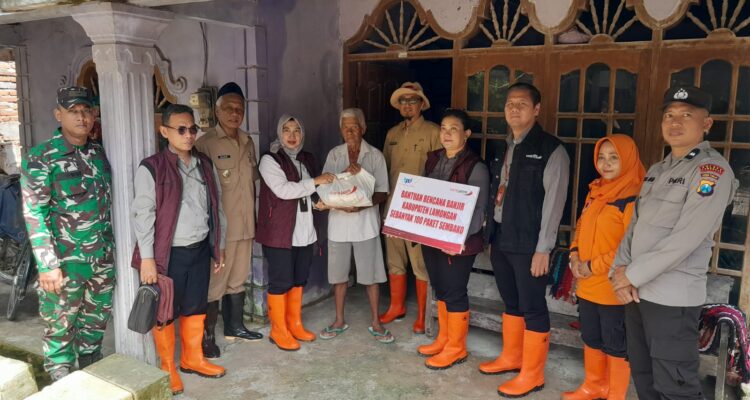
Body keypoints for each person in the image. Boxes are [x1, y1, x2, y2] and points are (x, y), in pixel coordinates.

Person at [611, 85, 737, 400]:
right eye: (669, 115)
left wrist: (631, 275)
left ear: (706, 124)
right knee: (643, 374)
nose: (675, 122)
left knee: (675, 384)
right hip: (636, 292)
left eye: (686, 115)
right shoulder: (658, 170)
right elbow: (635, 225)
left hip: (671, 297)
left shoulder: (711, 171)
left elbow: (686, 238)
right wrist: (619, 271)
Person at [132, 104, 228, 394]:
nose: (189, 135)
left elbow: (217, 207)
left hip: (199, 249)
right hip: (168, 254)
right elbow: (143, 215)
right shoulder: (152, 167)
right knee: (165, 311)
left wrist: (218, 246)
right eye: (181, 129)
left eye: (192, 129)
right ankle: (167, 367)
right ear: (165, 131)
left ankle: (192, 358)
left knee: (196, 307)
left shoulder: (204, 164)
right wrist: (147, 258)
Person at [482, 82, 570, 398]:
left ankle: (533, 375)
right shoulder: (505, 146)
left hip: (530, 244)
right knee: (511, 301)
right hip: (501, 237)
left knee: (532, 306)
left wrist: (543, 249)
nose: (514, 108)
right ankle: (512, 357)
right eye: (510, 103)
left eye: (522, 103)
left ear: (536, 109)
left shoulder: (551, 149)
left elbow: (554, 203)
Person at [21, 86, 114, 381]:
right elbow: (35, 213)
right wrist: (47, 264)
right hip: (64, 262)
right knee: (60, 323)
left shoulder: (97, 153)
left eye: (86, 111)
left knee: (96, 320)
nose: (81, 117)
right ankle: (60, 377)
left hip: (101, 258)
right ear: (58, 114)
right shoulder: (42, 157)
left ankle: (91, 366)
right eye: (73, 111)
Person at [562, 135, 644, 400]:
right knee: (591, 337)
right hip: (587, 284)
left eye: (614, 157)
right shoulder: (595, 190)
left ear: (628, 159)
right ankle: (593, 385)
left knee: (615, 343)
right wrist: (574, 255)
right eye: (601, 157)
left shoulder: (634, 197)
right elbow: (581, 227)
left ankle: (615, 394)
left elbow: (628, 246)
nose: (605, 163)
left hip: (612, 287)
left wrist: (591, 266)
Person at [416, 109, 489, 369]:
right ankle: (444, 339)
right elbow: (421, 196)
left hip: (459, 243)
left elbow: (479, 211)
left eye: (453, 129)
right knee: (440, 288)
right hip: (431, 237)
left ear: (466, 134)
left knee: (455, 291)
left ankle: (457, 348)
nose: (446, 134)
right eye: (443, 128)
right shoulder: (433, 159)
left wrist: (455, 239)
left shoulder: (476, 166)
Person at [195, 82, 263, 359]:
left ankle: (235, 327)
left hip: (246, 226)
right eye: (229, 108)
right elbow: (200, 192)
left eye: (239, 109)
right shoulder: (205, 143)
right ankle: (207, 337)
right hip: (222, 231)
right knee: (215, 285)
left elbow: (252, 181)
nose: (235, 113)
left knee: (238, 279)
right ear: (217, 111)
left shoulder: (248, 142)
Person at [255, 115, 335, 351]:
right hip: (279, 234)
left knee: (299, 279)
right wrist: (316, 182)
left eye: (296, 130)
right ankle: (278, 330)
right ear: (279, 133)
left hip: (304, 231)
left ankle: (294, 324)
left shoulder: (306, 159)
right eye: (286, 130)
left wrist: (319, 202)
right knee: (281, 282)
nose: (291, 136)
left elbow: (310, 192)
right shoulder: (270, 159)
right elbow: (283, 190)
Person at [318, 108, 394, 344]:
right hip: (338, 225)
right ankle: (339, 320)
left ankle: (376, 322)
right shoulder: (334, 154)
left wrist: (361, 205)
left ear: (363, 128)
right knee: (339, 276)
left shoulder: (375, 156)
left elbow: (383, 191)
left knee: (371, 276)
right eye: (345, 127)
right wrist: (342, 176)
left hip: (365, 224)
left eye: (354, 127)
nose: (349, 132)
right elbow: (325, 185)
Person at [380, 82, 442, 334]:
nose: (407, 105)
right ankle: (396, 306)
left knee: (420, 265)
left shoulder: (433, 132)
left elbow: (440, 171)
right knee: (394, 260)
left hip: (418, 210)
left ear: (421, 104)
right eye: (403, 101)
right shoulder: (392, 134)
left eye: (412, 100)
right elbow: (384, 170)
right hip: (393, 207)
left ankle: (423, 315)